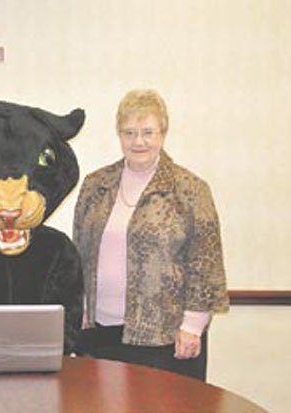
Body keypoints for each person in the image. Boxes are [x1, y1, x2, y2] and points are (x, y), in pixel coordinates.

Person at [73, 89, 228, 381]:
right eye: (129, 132)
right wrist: (80, 308)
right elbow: (79, 251)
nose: (138, 141)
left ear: (163, 133)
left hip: (165, 337)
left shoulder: (190, 189)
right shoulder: (96, 185)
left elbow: (206, 262)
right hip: (100, 332)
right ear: (119, 135)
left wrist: (193, 326)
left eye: (147, 132)